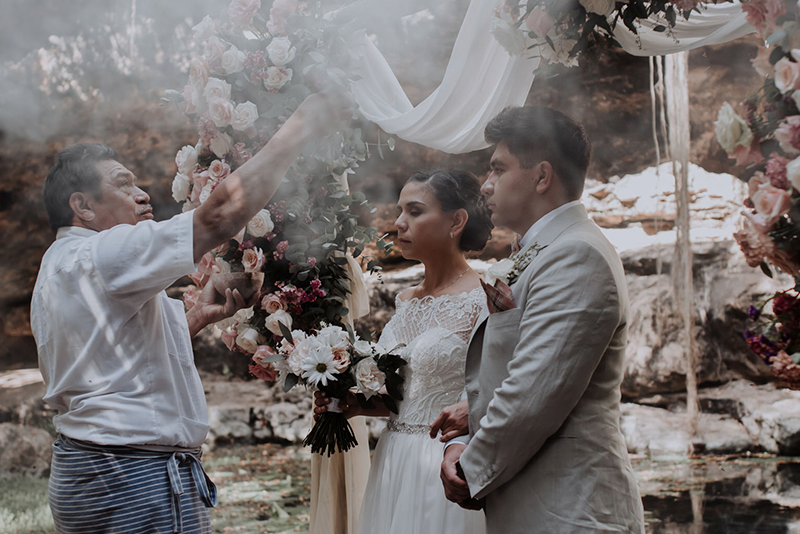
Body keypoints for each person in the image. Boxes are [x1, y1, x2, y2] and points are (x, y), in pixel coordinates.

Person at [31, 91, 352, 533]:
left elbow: (109, 358)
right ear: (82, 206)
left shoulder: (62, 265)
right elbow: (218, 216)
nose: (143, 195)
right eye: (124, 184)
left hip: (98, 468)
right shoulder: (101, 255)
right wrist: (300, 128)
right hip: (130, 477)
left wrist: (199, 316)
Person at [438, 106, 646, 533]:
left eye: (498, 168)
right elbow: (502, 370)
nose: (486, 185)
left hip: (570, 510)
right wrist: (462, 436)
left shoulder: (577, 254)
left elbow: (533, 393)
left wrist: (469, 472)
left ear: (542, 176)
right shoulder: (539, 251)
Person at [314, 169, 493, 534]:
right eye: (400, 211)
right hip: (394, 460)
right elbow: (411, 394)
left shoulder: (484, 298)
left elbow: (493, 392)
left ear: (456, 221)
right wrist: (360, 404)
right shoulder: (406, 300)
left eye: (414, 211)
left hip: (443, 463)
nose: (398, 223)